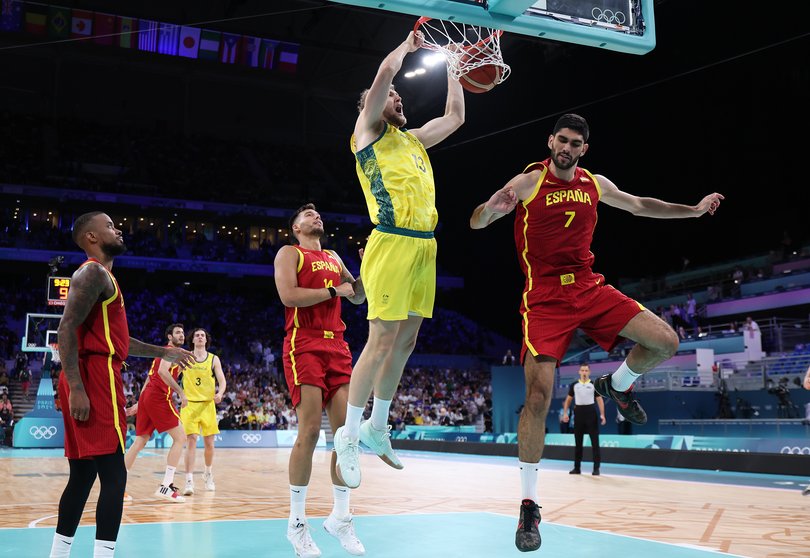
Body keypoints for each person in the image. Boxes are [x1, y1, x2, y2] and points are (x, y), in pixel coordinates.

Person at [469, 113, 723, 552]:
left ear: (584, 148)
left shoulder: (595, 183)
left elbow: (642, 204)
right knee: (537, 398)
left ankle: (617, 385)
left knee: (665, 341)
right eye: (561, 140)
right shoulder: (528, 182)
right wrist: (492, 207)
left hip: (589, 288)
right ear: (550, 142)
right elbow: (475, 222)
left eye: (575, 143)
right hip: (545, 299)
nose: (567, 148)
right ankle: (529, 504)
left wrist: (693, 209)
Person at [334, 29, 465, 489]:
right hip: (389, 241)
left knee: (406, 343)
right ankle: (347, 436)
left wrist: (455, 66)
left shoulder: (414, 141)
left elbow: (455, 116)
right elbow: (385, 71)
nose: (397, 97)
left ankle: (376, 426)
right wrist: (408, 47)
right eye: (389, 96)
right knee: (382, 340)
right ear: (371, 105)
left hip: (425, 245)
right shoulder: (366, 133)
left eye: (398, 96)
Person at [50, 211, 194, 558]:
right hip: (93, 377)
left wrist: (164, 351)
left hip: (92, 372)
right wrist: (78, 386)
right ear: (91, 238)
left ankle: (58, 553)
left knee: (83, 476)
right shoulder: (92, 272)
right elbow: (66, 329)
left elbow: (120, 342)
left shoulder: (104, 278)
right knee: (114, 476)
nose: (118, 229)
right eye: (110, 226)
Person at [274, 203, 367, 557]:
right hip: (304, 344)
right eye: (307, 215)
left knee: (346, 437)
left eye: (318, 214)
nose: (316, 217)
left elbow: (357, 296)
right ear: (296, 227)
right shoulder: (289, 253)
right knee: (311, 431)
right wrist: (334, 291)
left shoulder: (333, 255)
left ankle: (341, 517)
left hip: (338, 345)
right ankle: (296, 524)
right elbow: (288, 296)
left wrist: (367, 272)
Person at [123, 323, 190, 503]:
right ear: (169, 337)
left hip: (148, 396)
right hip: (158, 397)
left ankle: (117, 486)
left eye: (183, 333)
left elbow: (150, 375)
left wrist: (140, 401)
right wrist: (181, 392)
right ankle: (166, 487)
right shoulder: (170, 350)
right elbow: (161, 372)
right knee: (180, 437)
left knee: (140, 441)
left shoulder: (170, 354)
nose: (181, 335)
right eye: (177, 332)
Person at [180, 327, 226, 496]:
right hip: (190, 405)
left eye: (203, 336)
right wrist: (179, 392)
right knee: (191, 441)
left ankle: (207, 473)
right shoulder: (185, 358)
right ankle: (189, 481)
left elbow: (222, 380)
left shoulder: (214, 359)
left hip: (208, 405)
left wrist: (220, 393)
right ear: (192, 340)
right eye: (197, 335)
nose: (200, 337)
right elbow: (171, 375)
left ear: (206, 340)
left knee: (209, 444)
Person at [561, 364, 606, 475]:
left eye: (586, 370)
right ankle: (577, 468)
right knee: (578, 443)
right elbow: (568, 400)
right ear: (579, 372)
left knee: (595, 442)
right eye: (582, 370)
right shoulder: (574, 385)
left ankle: (596, 468)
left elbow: (599, 400)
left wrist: (602, 414)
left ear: (589, 372)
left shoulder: (594, 384)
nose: (584, 372)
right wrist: (565, 413)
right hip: (579, 414)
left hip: (591, 413)